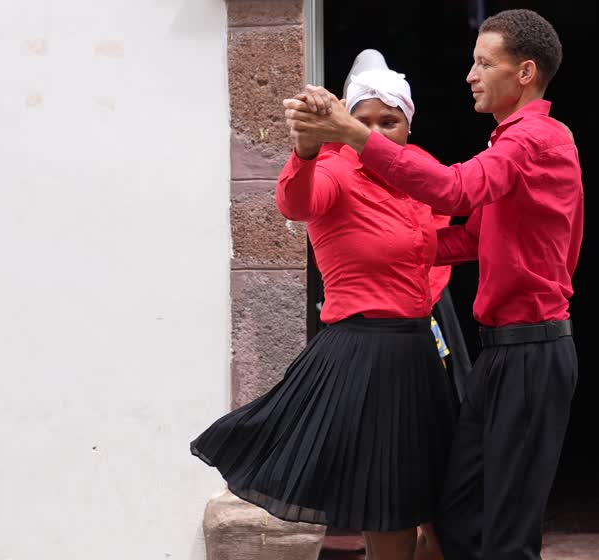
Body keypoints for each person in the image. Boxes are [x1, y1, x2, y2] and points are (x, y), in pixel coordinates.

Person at [284, 9, 583, 560]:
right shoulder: (508, 143)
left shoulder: (533, 139)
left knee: (507, 533)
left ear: (524, 73)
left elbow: (454, 191)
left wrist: (352, 134)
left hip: (533, 348)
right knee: (455, 514)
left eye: (484, 62)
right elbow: (469, 239)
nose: (470, 73)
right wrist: (371, 244)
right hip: (496, 352)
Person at [191, 50, 455, 560]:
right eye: (363, 122)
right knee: (389, 507)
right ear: (344, 125)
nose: (376, 133)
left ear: (407, 126)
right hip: (364, 354)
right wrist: (307, 149)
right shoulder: (335, 167)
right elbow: (296, 202)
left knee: (430, 503)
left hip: (418, 351)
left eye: (389, 121)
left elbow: (439, 241)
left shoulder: (418, 171)